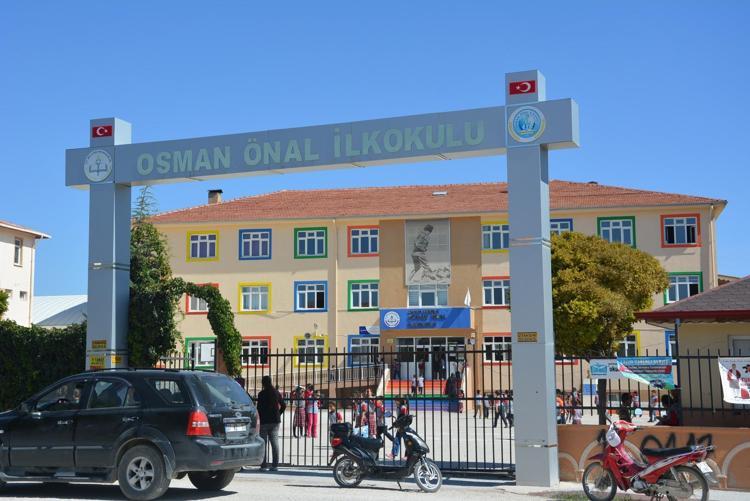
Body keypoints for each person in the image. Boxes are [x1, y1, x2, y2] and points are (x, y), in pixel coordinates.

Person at [256, 375, 285, 471]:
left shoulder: (261, 394)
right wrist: (278, 414)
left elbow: (259, 408)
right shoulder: (276, 392)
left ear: (263, 383)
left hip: (264, 421)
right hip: (274, 421)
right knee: (275, 443)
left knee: (263, 443)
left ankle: (263, 465)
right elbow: (284, 405)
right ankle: (275, 465)